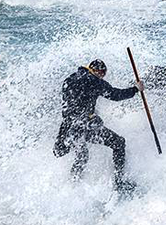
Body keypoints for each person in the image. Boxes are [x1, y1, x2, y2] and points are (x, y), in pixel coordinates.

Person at [53, 59, 139, 193]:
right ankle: (119, 182)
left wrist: (61, 137)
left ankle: (72, 186)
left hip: (67, 128)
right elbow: (115, 95)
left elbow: (72, 107)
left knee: (82, 156)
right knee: (118, 142)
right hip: (83, 126)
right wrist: (135, 89)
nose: (102, 77)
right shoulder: (94, 81)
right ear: (99, 72)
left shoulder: (69, 79)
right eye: (102, 75)